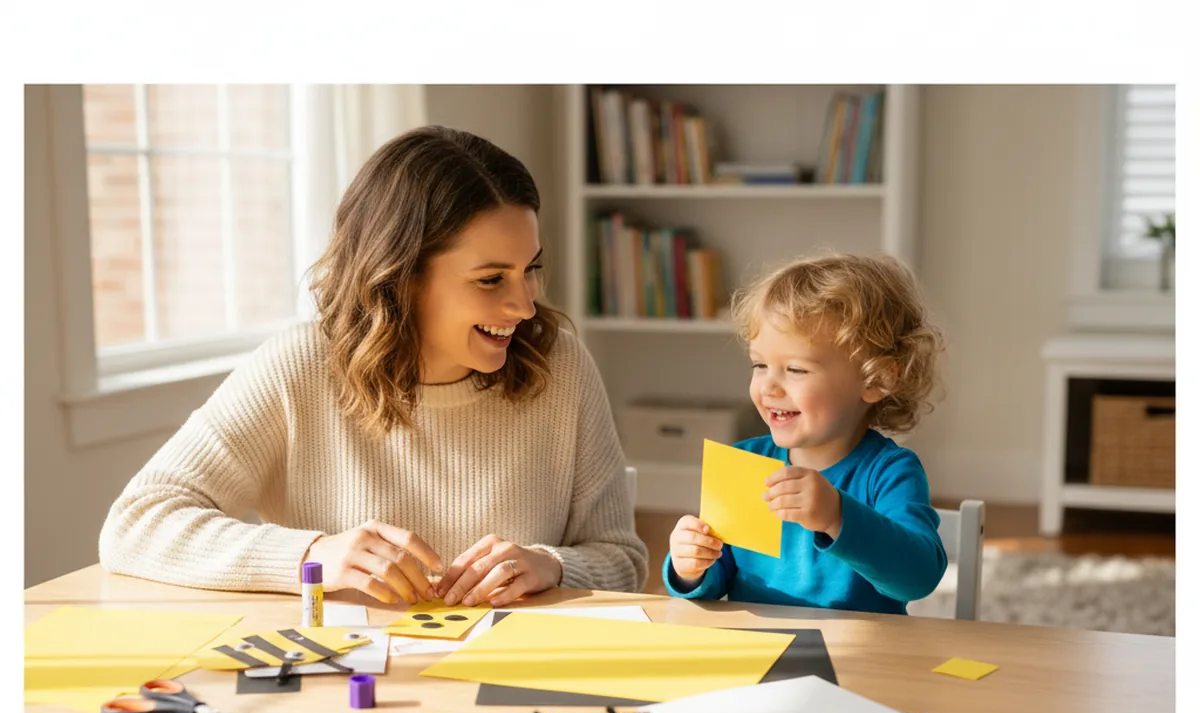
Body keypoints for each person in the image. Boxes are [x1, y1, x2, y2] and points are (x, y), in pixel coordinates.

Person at [99, 125, 648, 607]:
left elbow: (621, 557)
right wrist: (315, 554)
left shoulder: (561, 367)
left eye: (530, 269)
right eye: (490, 279)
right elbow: (136, 524)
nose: (525, 305)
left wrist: (551, 566)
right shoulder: (301, 367)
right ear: (401, 275)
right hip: (341, 685)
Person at [664, 252, 947, 614]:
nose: (770, 386)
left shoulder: (890, 472)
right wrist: (689, 566)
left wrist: (837, 516)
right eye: (760, 365)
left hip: (860, 661)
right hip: (759, 650)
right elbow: (714, 581)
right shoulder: (747, 463)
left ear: (877, 379)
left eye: (796, 369)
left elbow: (918, 578)